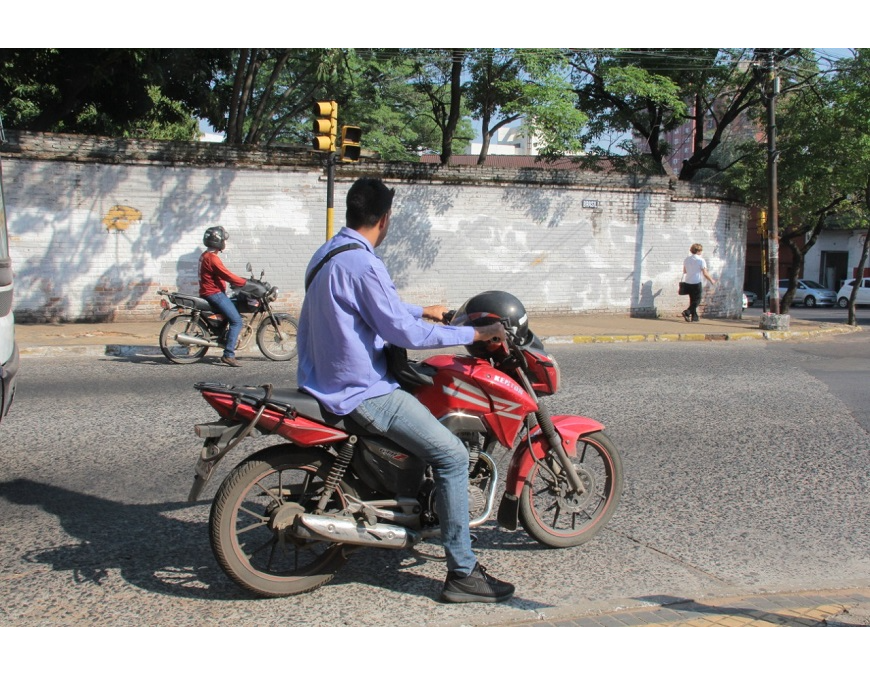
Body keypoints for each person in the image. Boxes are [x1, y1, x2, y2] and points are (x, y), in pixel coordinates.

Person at [297, 177, 515, 604]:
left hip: (322, 378)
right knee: (451, 454)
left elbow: (373, 307)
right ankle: (463, 573)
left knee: (424, 422)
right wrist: (473, 330)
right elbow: (399, 329)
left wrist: (423, 309)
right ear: (384, 218)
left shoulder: (327, 253)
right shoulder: (364, 263)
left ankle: (405, 506)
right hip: (363, 390)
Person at [199, 226, 247, 367]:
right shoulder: (212, 259)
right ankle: (228, 355)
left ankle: (223, 335)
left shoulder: (205, 255)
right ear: (218, 242)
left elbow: (221, 275)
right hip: (214, 293)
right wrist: (244, 282)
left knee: (233, 306)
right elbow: (226, 274)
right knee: (237, 321)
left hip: (210, 291)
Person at [682, 243, 717, 322]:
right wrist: (711, 280)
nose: (701, 251)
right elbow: (705, 273)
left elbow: (684, 271)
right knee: (697, 300)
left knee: (692, 299)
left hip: (688, 282)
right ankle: (687, 312)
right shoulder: (701, 260)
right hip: (696, 282)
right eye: (701, 250)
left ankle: (694, 317)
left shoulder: (687, 259)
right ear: (698, 251)